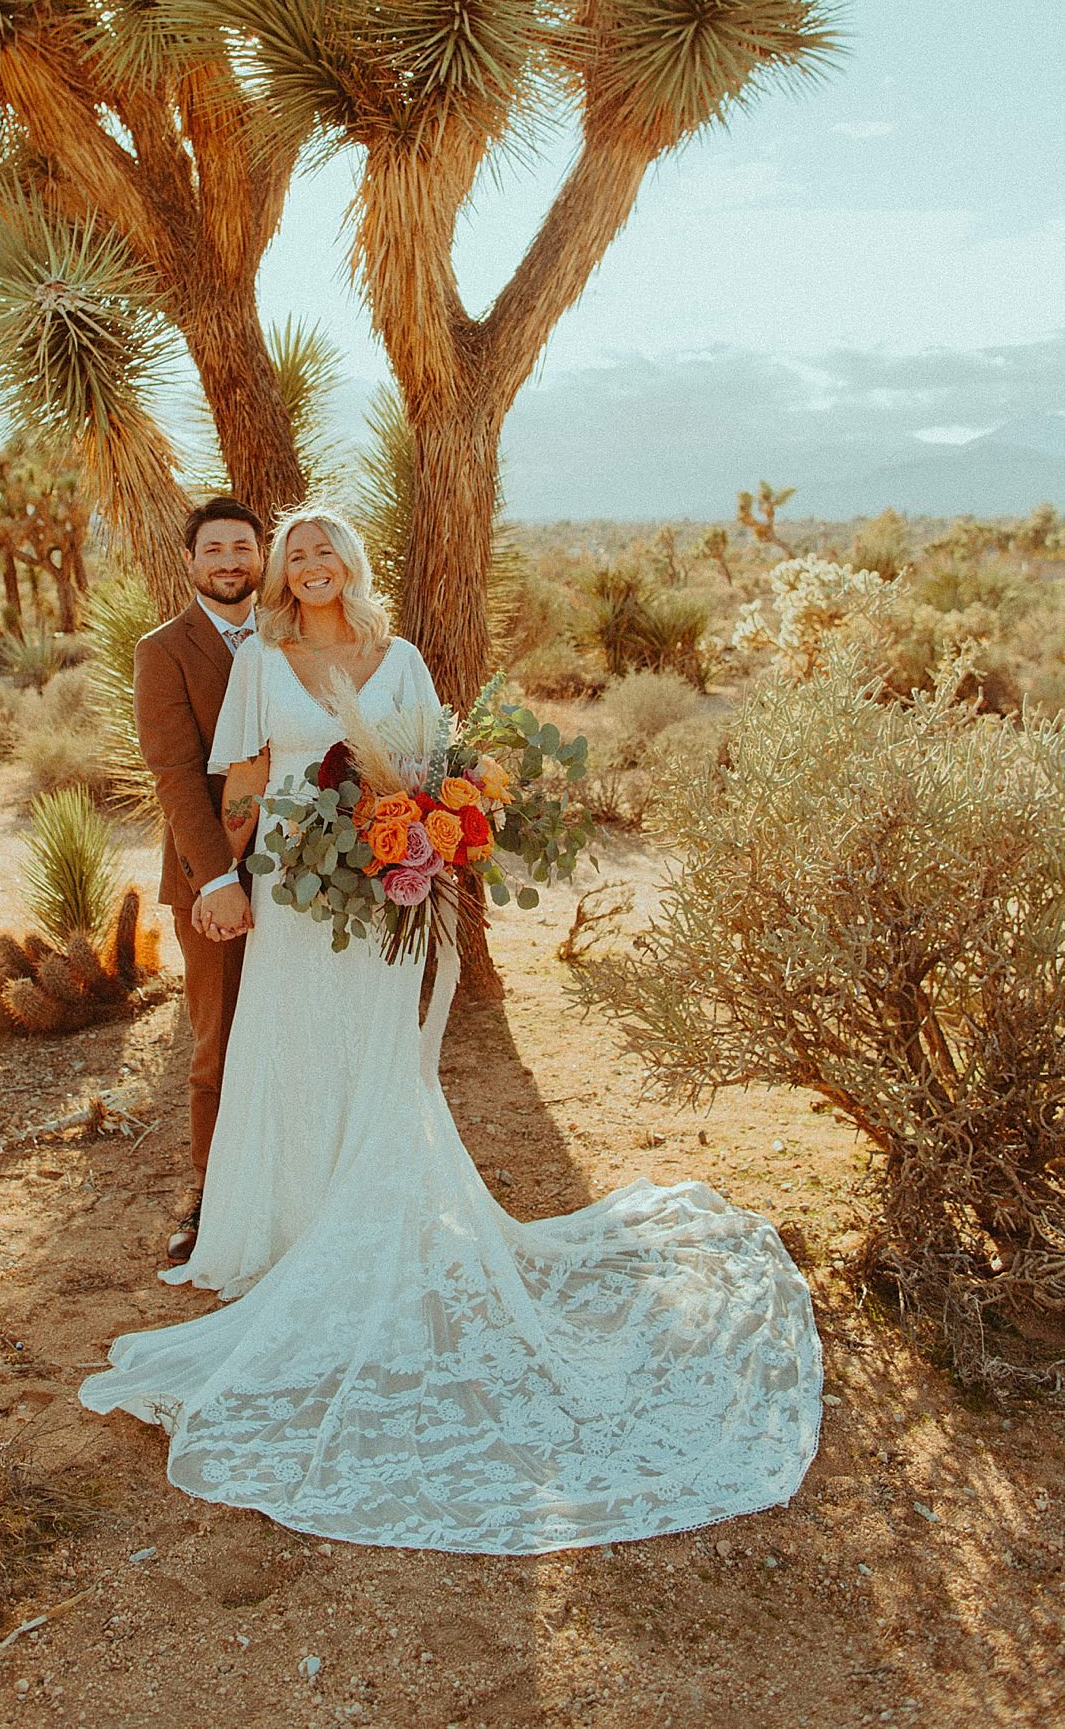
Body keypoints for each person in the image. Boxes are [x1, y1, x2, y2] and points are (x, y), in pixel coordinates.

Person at [82, 504, 823, 1553]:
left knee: (379, 1063)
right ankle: (291, 1230)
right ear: (281, 576)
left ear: (348, 560)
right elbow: (241, 781)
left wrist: (427, 859)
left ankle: (377, 1222)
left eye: (320, 547)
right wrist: (225, 879)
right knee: (291, 1057)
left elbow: (433, 773)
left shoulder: (402, 658)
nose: (308, 564)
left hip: (385, 889)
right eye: (295, 553)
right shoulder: (266, 660)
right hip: (292, 899)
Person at [132, 495, 264, 1265]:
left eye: (241, 548)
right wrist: (217, 879)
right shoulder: (165, 649)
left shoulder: (290, 637)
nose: (228, 562)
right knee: (218, 1042)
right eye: (212, 549)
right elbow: (175, 773)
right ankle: (211, 1199)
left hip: (307, 875)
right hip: (210, 878)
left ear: (260, 555)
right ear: (190, 562)